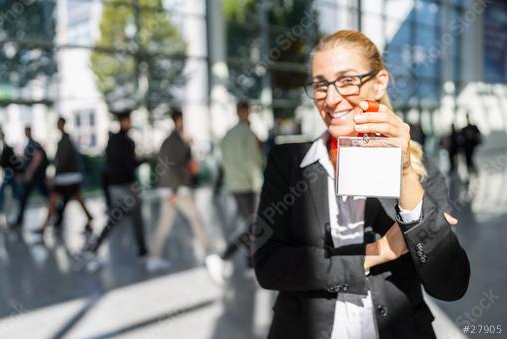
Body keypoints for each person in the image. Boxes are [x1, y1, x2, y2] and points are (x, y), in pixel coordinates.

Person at [252, 30, 469, 339]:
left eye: (347, 80)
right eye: (319, 85)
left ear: (379, 82)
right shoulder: (288, 163)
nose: (330, 98)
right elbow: (269, 266)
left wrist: (405, 170)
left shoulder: (417, 167)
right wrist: (378, 251)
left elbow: (450, 285)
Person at [84, 109, 155, 271]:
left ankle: (94, 247)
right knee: (137, 218)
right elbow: (131, 164)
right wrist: (147, 159)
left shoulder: (112, 140)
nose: (130, 123)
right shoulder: (128, 141)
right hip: (127, 185)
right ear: (124, 121)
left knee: (113, 218)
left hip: (114, 186)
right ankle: (142, 251)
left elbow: (109, 162)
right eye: (128, 120)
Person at [205, 101, 264, 284]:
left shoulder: (228, 136)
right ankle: (223, 257)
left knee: (249, 223)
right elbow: (254, 162)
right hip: (249, 185)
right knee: (253, 225)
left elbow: (222, 162)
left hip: (234, 186)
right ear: (244, 112)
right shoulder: (247, 133)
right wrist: (260, 184)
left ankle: (249, 264)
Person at [150, 108, 210, 270]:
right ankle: (208, 254)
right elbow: (171, 168)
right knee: (195, 218)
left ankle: (154, 257)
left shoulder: (174, 140)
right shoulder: (175, 142)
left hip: (172, 189)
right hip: (177, 190)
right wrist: (173, 192)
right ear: (178, 120)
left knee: (165, 223)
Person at [33, 117, 93, 235]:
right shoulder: (63, 140)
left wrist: (54, 175)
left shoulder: (66, 140)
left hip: (67, 177)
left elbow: (62, 161)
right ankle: (46, 225)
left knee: (58, 198)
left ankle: (45, 226)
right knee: (72, 198)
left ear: (62, 124)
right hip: (67, 176)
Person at [11, 127, 49, 229]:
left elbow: (37, 158)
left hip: (36, 177)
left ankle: (58, 213)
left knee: (47, 196)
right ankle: (19, 220)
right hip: (35, 177)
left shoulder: (33, 144)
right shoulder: (29, 145)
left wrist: (29, 173)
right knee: (26, 197)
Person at [0, 133, 20, 222]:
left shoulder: (7, 149)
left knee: (5, 191)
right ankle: (3, 208)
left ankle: (1, 208)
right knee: (10, 191)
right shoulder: (4, 148)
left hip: (9, 173)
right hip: (9, 173)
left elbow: (8, 162)